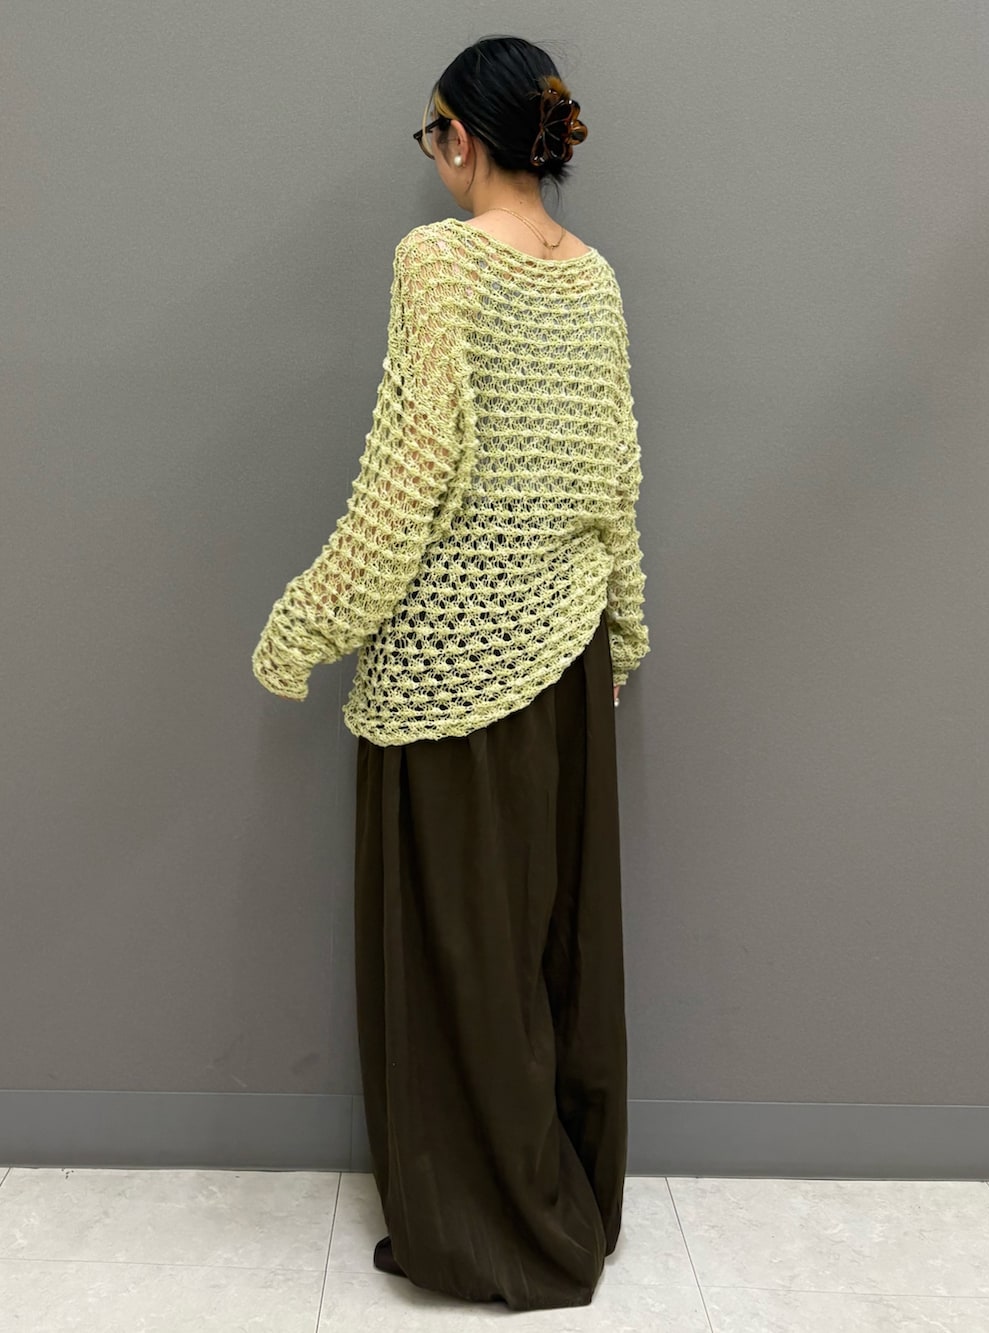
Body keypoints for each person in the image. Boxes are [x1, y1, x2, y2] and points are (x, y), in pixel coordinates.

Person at [251, 34, 650, 1313]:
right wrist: (623, 633)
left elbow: (407, 475)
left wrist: (305, 623)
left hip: (454, 666)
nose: (432, 159)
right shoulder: (594, 278)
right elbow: (615, 481)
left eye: (432, 136)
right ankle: (565, 1197)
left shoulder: (439, 261)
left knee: (456, 952)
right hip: (568, 660)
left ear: (461, 139)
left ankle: (488, 1231)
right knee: (549, 940)